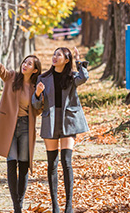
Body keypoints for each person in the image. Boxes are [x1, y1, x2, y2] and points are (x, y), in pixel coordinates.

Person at [0, 35, 42, 213]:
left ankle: (20, 203)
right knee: (11, 162)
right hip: (9, 126)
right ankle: (17, 207)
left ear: (35, 70)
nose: (25, 65)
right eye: (25, 62)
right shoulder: (11, 77)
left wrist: (39, 95)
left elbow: (38, 110)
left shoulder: (36, 87)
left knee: (23, 165)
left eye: (29, 64)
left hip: (26, 127)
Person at [32, 47, 89, 213]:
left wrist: (79, 62)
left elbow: (84, 77)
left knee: (66, 161)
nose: (55, 57)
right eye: (54, 54)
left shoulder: (72, 77)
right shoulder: (43, 77)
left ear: (66, 60)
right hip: (50, 121)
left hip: (68, 120)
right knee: (52, 163)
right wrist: (37, 93)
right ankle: (55, 206)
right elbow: (36, 105)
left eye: (59, 55)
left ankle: (69, 206)